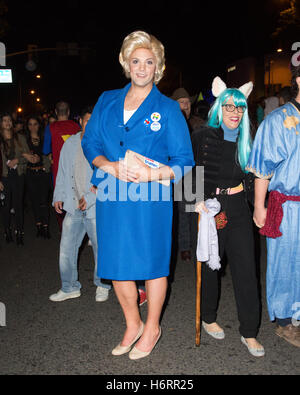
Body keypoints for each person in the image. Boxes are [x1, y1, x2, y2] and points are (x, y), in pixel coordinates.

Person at [82, 30, 194, 360]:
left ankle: (153, 326)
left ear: (157, 67)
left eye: (149, 62)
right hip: (113, 195)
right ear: (126, 63)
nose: (142, 67)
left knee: (153, 266)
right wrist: (108, 166)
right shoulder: (107, 100)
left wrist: (150, 173)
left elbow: (185, 163)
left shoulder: (169, 109)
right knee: (116, 265)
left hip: (150, 200)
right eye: (135, 61)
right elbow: (90, 143)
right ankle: (132, 324)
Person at [188, 76, 265, 357]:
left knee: (247, 269)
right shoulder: (202, 136)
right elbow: (189, 170)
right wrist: (195, 203)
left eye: (240, 108)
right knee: (210, 266)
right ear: (219, 108)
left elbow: (258, 174)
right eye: (229, 107)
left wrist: (259, 205)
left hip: (238, 209)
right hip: (210, 208)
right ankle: (208, 317)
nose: (235, 113)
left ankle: (250, 332)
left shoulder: (250, 138)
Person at [246, 63, 300, 348]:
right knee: (284, 262)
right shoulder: (279, 120)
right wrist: (259, 205)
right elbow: (263, 167)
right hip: (288, 206)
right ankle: (284, 320)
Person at [49, 106, 111, 303]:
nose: (89, 124)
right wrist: (58, 195)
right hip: (73, 204)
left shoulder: (103, 144)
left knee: (100, 249)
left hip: (95, 206)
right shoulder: (71, 143)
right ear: (81, 122)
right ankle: (69, 287)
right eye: (86, 120)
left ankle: (102, 285)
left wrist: (91, 197)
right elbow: (63, 171)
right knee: (66, 249)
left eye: (94, 121)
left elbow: (108, 175)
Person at [43, 101, 81, 232]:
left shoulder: (51, 128)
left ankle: (63, 229)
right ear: (69, 112)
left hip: (58, 172)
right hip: (76, 170)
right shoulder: (77, 126)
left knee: (59, 201)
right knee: (76, 198)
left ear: (55, 111)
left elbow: (45, 149)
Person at [0, 113, 37, 245]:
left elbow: (27, 158)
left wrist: (18, 159)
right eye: (4, 120)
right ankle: (7, 231)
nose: (7, 123)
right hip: (4, 177)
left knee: (18, 205)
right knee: (6, 206)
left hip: (18, 175)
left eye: (9, 120)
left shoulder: (20, 138)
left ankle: (19, 232)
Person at [24, 116, 52, 238]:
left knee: (43, 201)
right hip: (30, 173)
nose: (33, 127)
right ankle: (38, 226)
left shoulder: (44, 138)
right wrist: (26, 156)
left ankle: (46, 227)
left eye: (35, 124)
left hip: (42, 172)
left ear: (39, 125)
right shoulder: (24, 139)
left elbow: (48, 153)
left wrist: (41, 158)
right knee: (34, 201)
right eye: (30, 124)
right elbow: (19, 153)